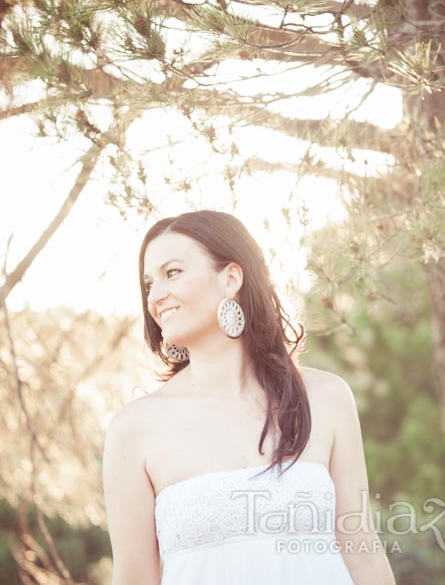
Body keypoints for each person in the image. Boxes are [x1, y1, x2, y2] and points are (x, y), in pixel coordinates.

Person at [102, 210, 396, 585]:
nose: (156, 296)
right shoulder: (134, 429)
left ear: (231, 278)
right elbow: (134, 579)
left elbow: (362, 555)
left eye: (172, 273)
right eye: (148, 284)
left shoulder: (327, 398)